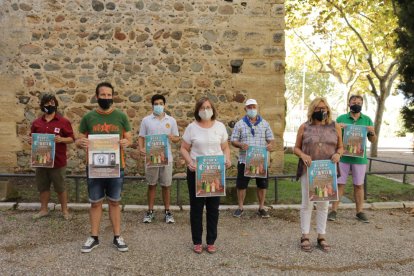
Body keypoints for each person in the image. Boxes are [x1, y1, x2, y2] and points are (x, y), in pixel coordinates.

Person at [76, 82, 132, 253]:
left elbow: (129, 138)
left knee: (115, 202)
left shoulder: (121, 117)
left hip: (116, 167)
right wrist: (81, 142)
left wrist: (125, 142)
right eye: (103, 95)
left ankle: (117, 237)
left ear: (112, 96)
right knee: (95, 203)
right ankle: (94, 237)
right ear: (97, 96)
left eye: (109, 95)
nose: (106, 98)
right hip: (95, 167)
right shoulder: (88, 118)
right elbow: (78, 140)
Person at [180, 97, 231, 254]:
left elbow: (225, 147)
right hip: (196, 172)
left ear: (213, 109)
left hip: (215, 172)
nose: (206, 110)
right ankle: (197, 241)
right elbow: (183, 148)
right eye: (202, 108)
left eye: (208, 107)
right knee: (196, 208)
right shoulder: (191, 128)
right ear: (197, 110)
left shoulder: (220, 127)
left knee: (213, 208)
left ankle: (210, 241)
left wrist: (227, 158)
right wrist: (190, 162)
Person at [293, 97, 343, 252]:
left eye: (324, 108)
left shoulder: (335, 126)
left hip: (327, 170)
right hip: (309, 170)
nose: (322, 111)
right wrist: (303, 155)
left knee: (324, 204)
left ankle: (321, 235)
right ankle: (305, 235)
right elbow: (296, 148)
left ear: (327, 110)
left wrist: (338, 155)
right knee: (307, 203)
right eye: (318, 108)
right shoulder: (304, 127)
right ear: (312, 110)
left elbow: (341, 147)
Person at [328, 95, 376, 223]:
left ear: (362, 105)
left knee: (359, 185)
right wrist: (338, 128)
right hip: (343, 157)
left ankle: (359, 211)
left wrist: (371, 132)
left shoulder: (367, 120)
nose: (356, 104)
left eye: (359, 102)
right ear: (349, 104)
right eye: (354, 102)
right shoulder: (341, 118)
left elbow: (372, 140)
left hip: (359, 159)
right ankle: (333, 210)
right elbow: (332, 136)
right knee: (339, 184)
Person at [30, 94, 75, 220]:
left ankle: (65, 211)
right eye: (47, 103)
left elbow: (71, 139)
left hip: (58, 161)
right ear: (42, 105)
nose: (49, 106)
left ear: (55, 105)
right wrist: (31, 140)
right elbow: (32, 137)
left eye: (52, 103)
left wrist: (61, 139)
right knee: (43, 186)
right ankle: (43, 210)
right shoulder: (36, 123)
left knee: (60, 187)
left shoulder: (64, 122)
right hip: (41, 160)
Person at [138, 94, 180, 223]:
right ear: (152, 105)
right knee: (151, 184)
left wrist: (174, 138)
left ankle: (167, 212)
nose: (158, 106)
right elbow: (141, 137)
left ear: (164, 105)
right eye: (156, 104)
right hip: (152, 158)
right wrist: (141, 148)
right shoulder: (146, 120)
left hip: (166, 158)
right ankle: (150, 211)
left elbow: (177, 137)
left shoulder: (171, 120)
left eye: (161, 103)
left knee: (166, 185)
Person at [230, 99, 275, 218]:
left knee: (262, 184)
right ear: (245, 109)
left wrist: (270, 145)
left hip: (260, 160)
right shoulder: (239, 124)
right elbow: (233, 140)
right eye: (249, 107)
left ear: (257, 107)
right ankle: (240, 207)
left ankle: (261, 207)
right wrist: (240, 145)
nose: (252, 109)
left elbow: (271, 139)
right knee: (241, 185)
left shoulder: (265, 123)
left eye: (254, 107)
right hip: (245, 160)